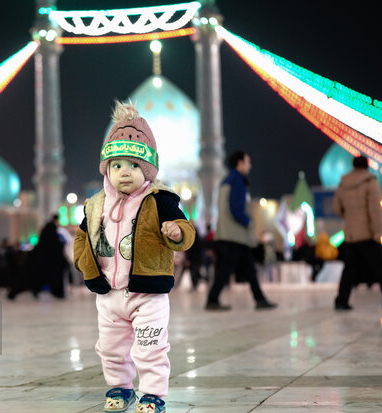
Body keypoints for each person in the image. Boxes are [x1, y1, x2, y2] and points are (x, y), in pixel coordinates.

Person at [73, 101, 195, 413]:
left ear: (148, 170)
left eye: (133, 166)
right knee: (112, 348)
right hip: (110, 293)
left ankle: (153, 394)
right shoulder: (95, 205)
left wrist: (177, 233)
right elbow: (82, 237)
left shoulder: (160, 201)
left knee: (150, 346)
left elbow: (185, 228)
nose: (124, 172)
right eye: (117, 166)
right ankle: (120, 388)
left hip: (148, 291)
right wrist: (84, 264)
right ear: (106, 169)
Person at [205, 150, 276, 311]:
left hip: (232, 235)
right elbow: (235, 208)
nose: (250, 165)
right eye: (247, 162)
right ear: (240, 163)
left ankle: (259, 298)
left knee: (248, 268)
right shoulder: (237, 180)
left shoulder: (227, 180)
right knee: (225, 270)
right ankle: (212, 299)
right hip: (234, 235)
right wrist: (247, 221)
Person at [332, 156, 382, 310]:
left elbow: (336, 206)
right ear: (367, 166)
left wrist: (348, 217)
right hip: (367, 234)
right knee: (381, 268)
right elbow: (375, 210)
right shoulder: (370, 182)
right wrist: (377, 232)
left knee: (349, 269)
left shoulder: (343, 183)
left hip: (350, 234)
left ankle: (342, 300)